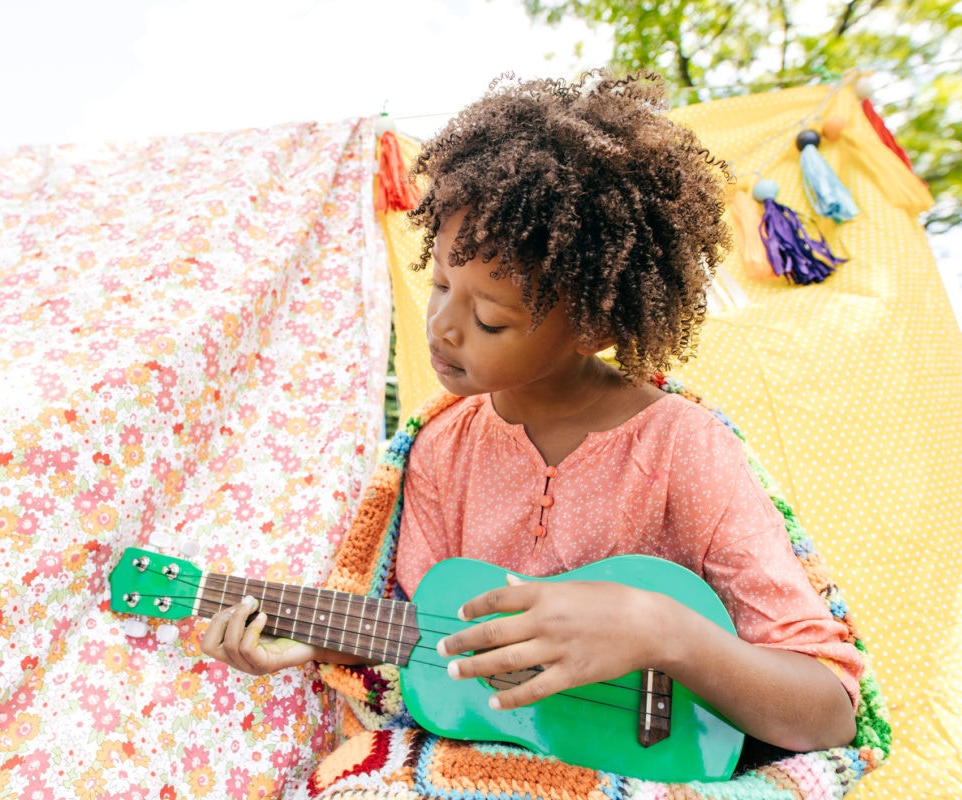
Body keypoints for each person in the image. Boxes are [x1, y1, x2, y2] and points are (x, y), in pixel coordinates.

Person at [200, 70, 860, 760]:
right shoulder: (438, 447)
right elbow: (425, 638)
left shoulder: (683, 447)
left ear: (595, 326)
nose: (444, 327)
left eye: (489, 318)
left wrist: (660, 629)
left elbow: (827, 715)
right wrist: (310, 635)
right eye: (442, 285)